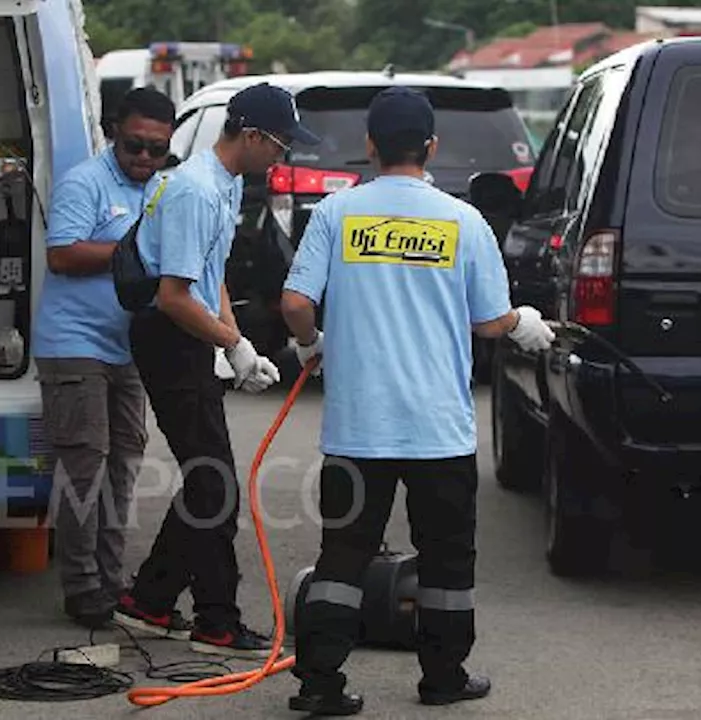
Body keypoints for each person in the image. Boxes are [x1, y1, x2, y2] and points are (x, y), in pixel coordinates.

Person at [279, 86, 555, 715]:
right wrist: (526, 325)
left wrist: (309, 343)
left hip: (357, 427)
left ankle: (319, 684)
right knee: (446, 559)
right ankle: (443, 679)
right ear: (431, 146)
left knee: (343, 555)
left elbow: (295, 303)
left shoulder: (336, 214)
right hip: (438, 431)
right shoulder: (462, 221)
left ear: (370, 145)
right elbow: (491, 321)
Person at [112, 82, 319, 658]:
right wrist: (236, 346)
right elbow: (174, 296)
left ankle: (151, 600)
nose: (284, 156)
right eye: (280, 144)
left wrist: (234, 340)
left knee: (210, 483)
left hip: (190, 337)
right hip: (168, 339)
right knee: (214, 484)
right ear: (250, 135)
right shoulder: (195, 191)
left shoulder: (224, 186)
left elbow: (211, 276)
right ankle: (216, 621)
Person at [33, 87, 176, 629]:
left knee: (123, 468)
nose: (144, 157)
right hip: (74, 347)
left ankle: (113, 583)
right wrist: (135, 251)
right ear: (115, 132)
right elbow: (63, 253)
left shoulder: (162, 187)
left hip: (127, 347)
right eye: (135, 144)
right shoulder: (85, 182)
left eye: (156, 149)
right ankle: (83, 588)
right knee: (84, 467)